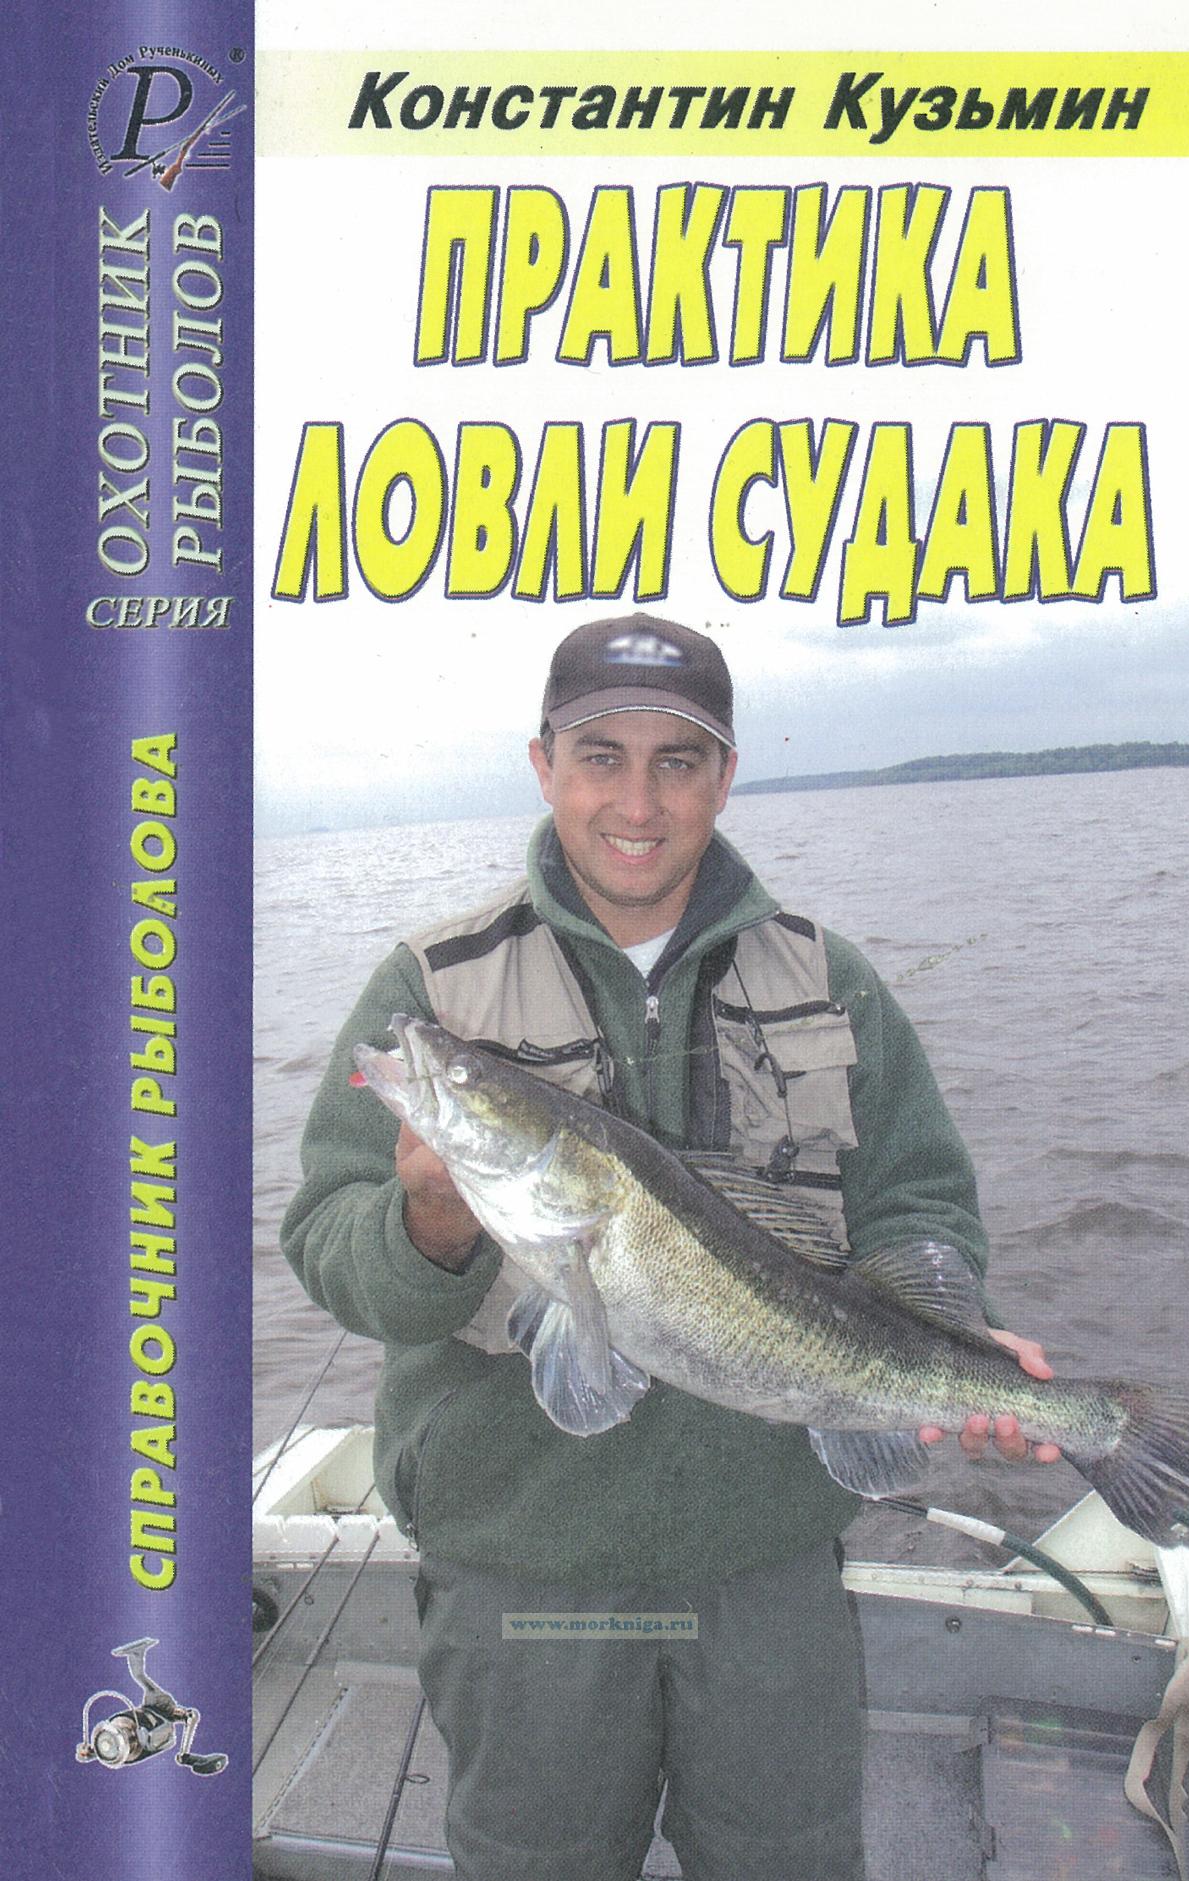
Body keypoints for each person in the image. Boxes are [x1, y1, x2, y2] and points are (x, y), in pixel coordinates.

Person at [281, 612, 1059, 1881]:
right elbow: (328, 1249)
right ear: (543, 765)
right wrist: (429, 1219)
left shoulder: (831, 979)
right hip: (521, 1571)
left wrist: (956, 1344)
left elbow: (918, 1204)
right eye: (601, 756)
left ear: (726, 776)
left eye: (676, 761)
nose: (636, 802)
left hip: (767, 1570)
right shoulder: (432, 987)